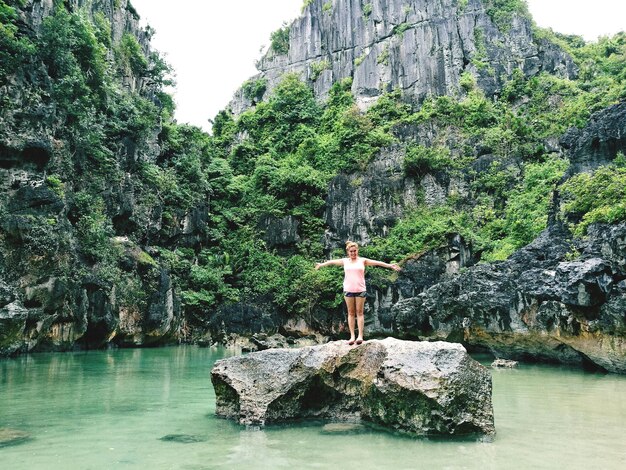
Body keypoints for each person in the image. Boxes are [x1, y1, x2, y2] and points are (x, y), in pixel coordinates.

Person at [315, 241, 401, 345]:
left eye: (355, 251)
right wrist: (321, 264)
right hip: (348, 289)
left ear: (357, 250)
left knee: (359, 313)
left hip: (360, 289)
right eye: (351, 251)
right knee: (351, 313)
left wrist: (390, 265)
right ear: (348, 252)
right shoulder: (345, 261)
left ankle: (360, 336)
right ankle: (352, 336)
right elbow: (331, 262)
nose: (353, 253)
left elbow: (377, 262)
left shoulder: (363, 260)